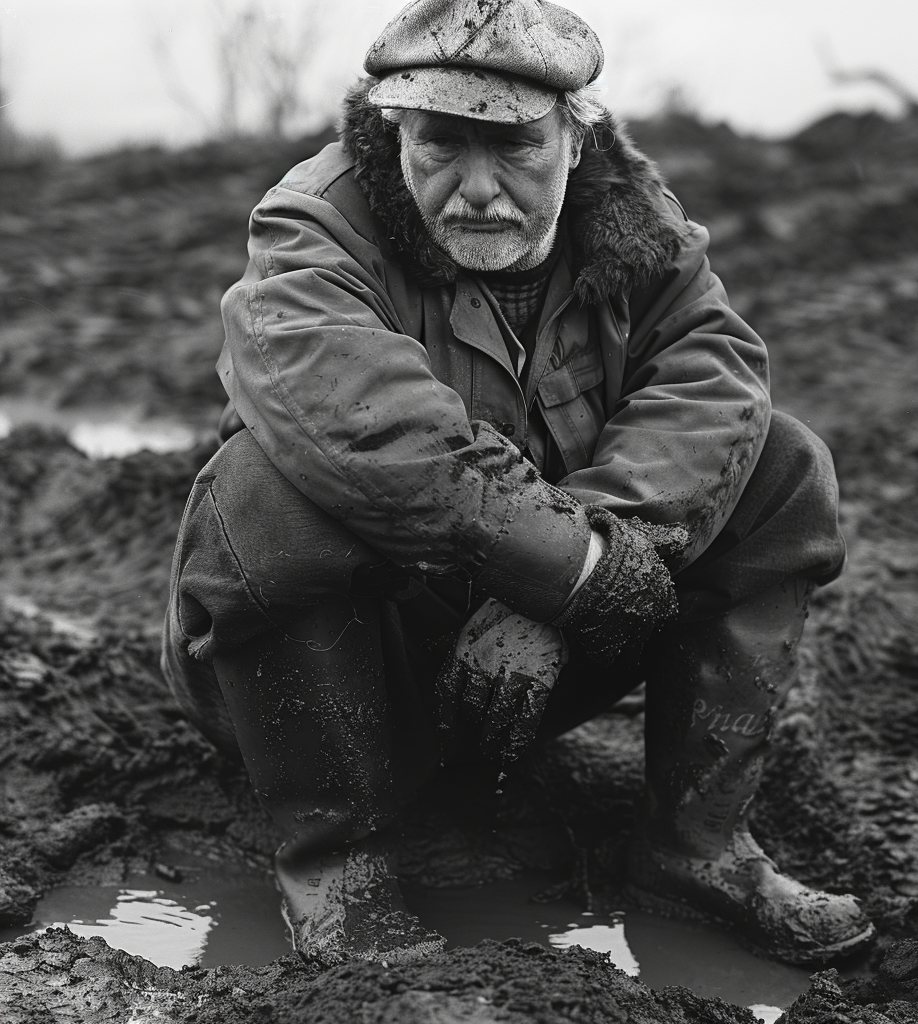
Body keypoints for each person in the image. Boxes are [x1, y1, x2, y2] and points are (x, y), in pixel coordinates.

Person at [161, 0, 875, 968]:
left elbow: (713, 377)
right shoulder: (314, 225)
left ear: (575, 143)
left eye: (514, 148)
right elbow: (364, 425)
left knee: (782, 466)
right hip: (339, 671)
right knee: (258, 486)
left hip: (536, 658)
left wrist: (582, 576)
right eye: (441, 146)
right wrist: (569, 574)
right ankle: (338, 869)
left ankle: (695, 848)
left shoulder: (637, 226)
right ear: (390, 130)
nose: (479, 189)